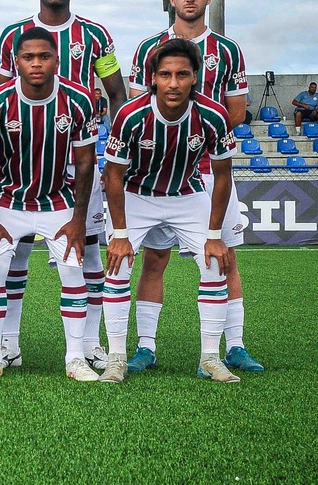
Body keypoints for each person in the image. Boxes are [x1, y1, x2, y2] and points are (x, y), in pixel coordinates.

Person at [126, 0, 262, 374]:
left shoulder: (228, 49)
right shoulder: (148, 47)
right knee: (155, 259)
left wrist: (195, 141)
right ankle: (145, 347)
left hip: (210, 169)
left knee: (224, 257)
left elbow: (236, 111)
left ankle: (234, 346)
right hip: (161, 172)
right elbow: (139, 108)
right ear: (170, 1)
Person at [0, 0, 127, 371]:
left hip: (79, 156)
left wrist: (115, 152)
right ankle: (8, 343)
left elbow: (116, 93)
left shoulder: (95, 34)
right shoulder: (12, 34)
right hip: (26, 159)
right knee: (15, 253)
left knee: (89, 252)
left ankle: (90, 343)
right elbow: (0, 100)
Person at [100, 38, 239, 384]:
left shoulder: (213, 115)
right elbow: (113, 176)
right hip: (137, 194)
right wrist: (120, 235)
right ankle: (116, 358)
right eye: (165, 74)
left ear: (195, 77)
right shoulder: (130, 115)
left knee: (214, 263)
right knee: (118, 265)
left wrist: (213, 235)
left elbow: (223, 175)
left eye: (182, 74)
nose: (173, 83)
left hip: (187, 194)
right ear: (153, 78)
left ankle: (210, 357)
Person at [0, 27, 99, 382]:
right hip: (8, 201)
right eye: (28, 57)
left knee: (73, 271)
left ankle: (75, 358)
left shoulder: (79, 100)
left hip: (58, 201)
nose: (36, 64)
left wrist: (78, 220)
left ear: (57, 60)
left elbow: (86, 163)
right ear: (16, 62)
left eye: (44, 56)